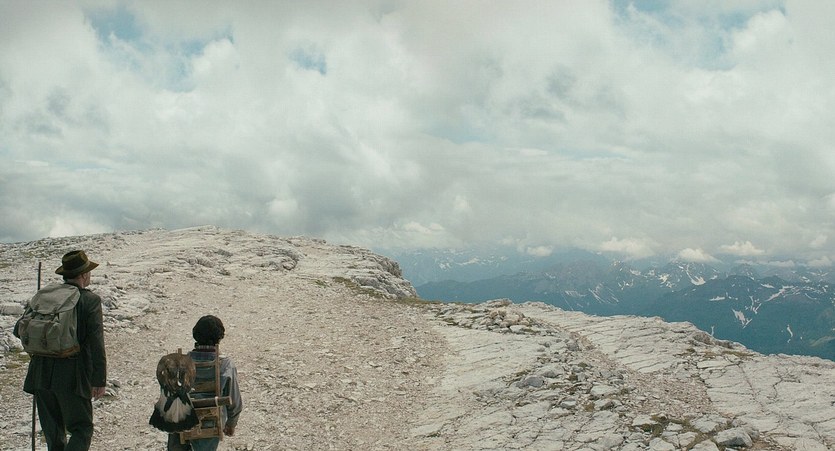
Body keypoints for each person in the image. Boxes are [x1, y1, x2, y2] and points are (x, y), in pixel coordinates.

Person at [14, 250, 107, 451]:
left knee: (53, 434)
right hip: (72, 376)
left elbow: (18, 330)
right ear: (83, 275)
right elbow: (96, 343)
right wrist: (99, 380)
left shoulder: (46, 296)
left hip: (40, 374)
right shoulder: (89, 300)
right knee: (81, 428)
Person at [168, 315, 243, 451]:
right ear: (219, 338)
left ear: (195, 335)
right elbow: (234, 401)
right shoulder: (225, 364)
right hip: (210, 421)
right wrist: (231, 424)